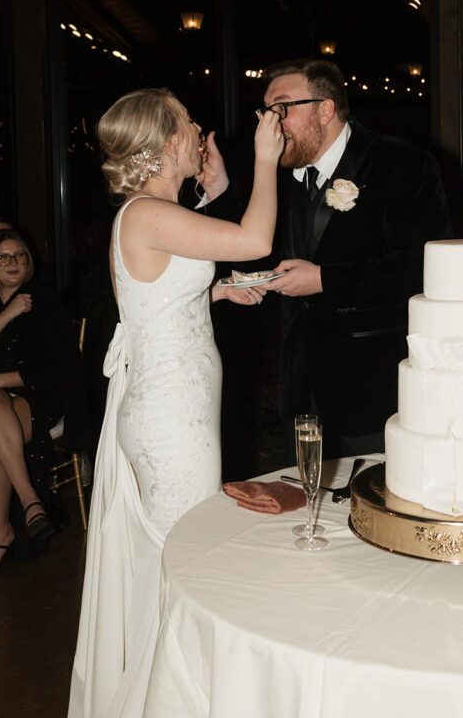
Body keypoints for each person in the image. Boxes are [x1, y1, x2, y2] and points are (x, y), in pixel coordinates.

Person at [69, 87, 282, 718]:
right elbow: (252, 240)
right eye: (188, 124)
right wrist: (264, 159)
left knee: (181, 557)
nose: (199, 131)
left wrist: (213, 296)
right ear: (166, 145)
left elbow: (156, 293)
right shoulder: (143, 215)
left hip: (174, 410)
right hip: (170, 421)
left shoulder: (150, 213)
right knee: (185, 561)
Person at [262, 59, 452, 459]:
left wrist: (326, 280)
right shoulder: (277, 175)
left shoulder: (403, 164)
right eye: (265, 111)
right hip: (302, 388)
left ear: (325, 109)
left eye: (281, 109)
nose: (270, 123)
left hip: (372, 386)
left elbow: (423, 268)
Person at [0, 228, 76, 574]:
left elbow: (53, 369)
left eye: (19, 256)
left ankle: (8, 520)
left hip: (36, 397)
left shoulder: (45, 300)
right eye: (3, 257)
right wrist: (8, 313)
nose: (12, 263)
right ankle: (25, 508)